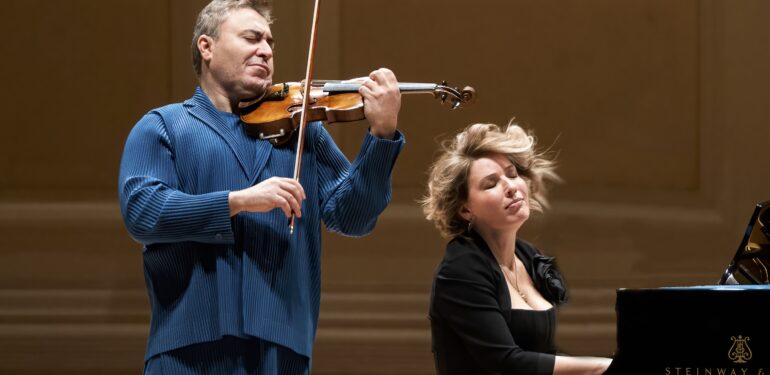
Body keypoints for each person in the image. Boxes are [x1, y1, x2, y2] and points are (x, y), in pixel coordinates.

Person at [118, 0, 405, 373]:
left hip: (282, 349)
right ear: (206, 47)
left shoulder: (302, 131)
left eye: (270, 42)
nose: (266, 50)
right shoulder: (163, 126)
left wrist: (381, 135)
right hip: (187, 348)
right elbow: (143, 211)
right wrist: (239, 201)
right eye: (252, 38)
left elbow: (353, 218)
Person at [421, 123, 610, 375]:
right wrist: (602, 367)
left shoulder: (529, 255)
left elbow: (542, 356)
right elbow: (507, 362)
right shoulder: (461, 268)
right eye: (491, 184)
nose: (511, 186)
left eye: (511, 174)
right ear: (465, 210)